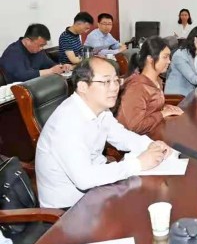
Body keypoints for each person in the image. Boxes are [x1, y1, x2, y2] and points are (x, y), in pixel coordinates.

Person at [35, 57, 171, 209]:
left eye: (116, 80)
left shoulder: (100, 109)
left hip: (96, 191)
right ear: (83, 86)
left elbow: (122, 136)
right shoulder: (67, 123)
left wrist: (150, 145)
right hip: (70, 209)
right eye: (106, 81)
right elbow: (84, 179)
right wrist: (138, 163)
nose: (114, 87)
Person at [117, 36, 183, 135]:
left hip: (153, 132)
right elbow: (135, 127)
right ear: (150, 59)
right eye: (165, 57)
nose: (169, 61)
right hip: (136, 140)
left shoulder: (157, 80)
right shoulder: (137, 87)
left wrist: (165, 108)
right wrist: (162, 113)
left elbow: (149, 108)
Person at [0, 23, 72, 83]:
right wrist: (50, 71)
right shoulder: (13, 52)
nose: (41, 48)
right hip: (16, 91)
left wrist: (62, 67)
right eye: (40, 45)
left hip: (35, 86)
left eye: (43, 46)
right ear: (28, 41)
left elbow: (50, 65)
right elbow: (22, 76)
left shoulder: (38, 51)